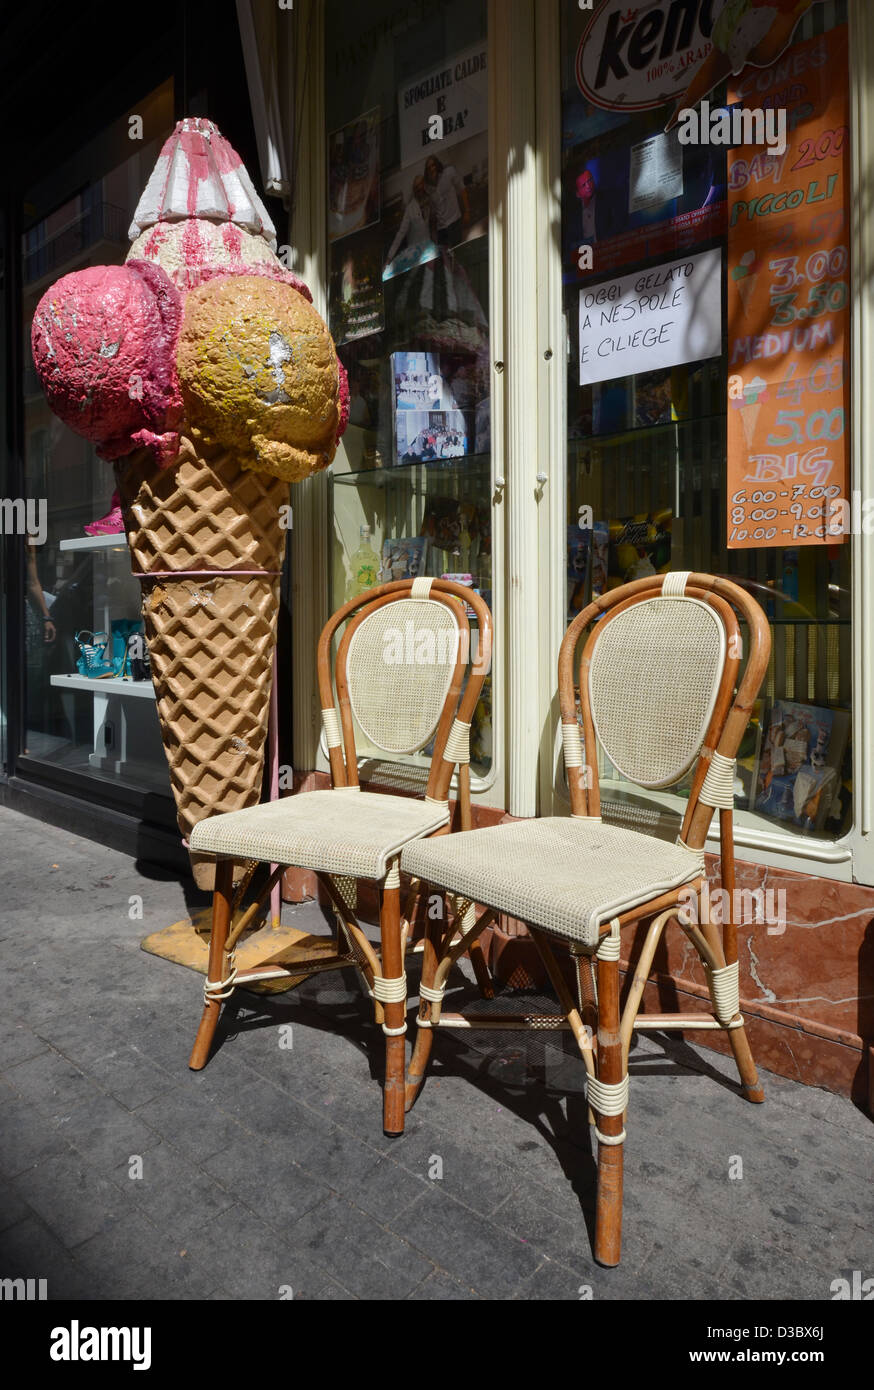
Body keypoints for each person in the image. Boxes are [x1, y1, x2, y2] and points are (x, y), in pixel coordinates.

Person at [386, 175, 436, 262]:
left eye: (421, 185)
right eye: (417, 187)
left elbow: (432, 225)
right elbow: (401, 234)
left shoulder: (429, 202)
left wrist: (435, 243)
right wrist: (389, 258)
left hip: (429, 250)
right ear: (414, 190)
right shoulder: (410, 209)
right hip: (415, 254)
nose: (419, 189)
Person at [424, 155, 469, 246]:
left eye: (433, 165)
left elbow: (462, 189)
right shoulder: (428, 188)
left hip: (454, 221)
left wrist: (467, 211)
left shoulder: (448, 173)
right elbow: (433, 211)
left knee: (458, 249)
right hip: (441, 228)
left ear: (437, 165)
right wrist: (433, 233)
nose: (431, 169)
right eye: (429, 168)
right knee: (446, 255)